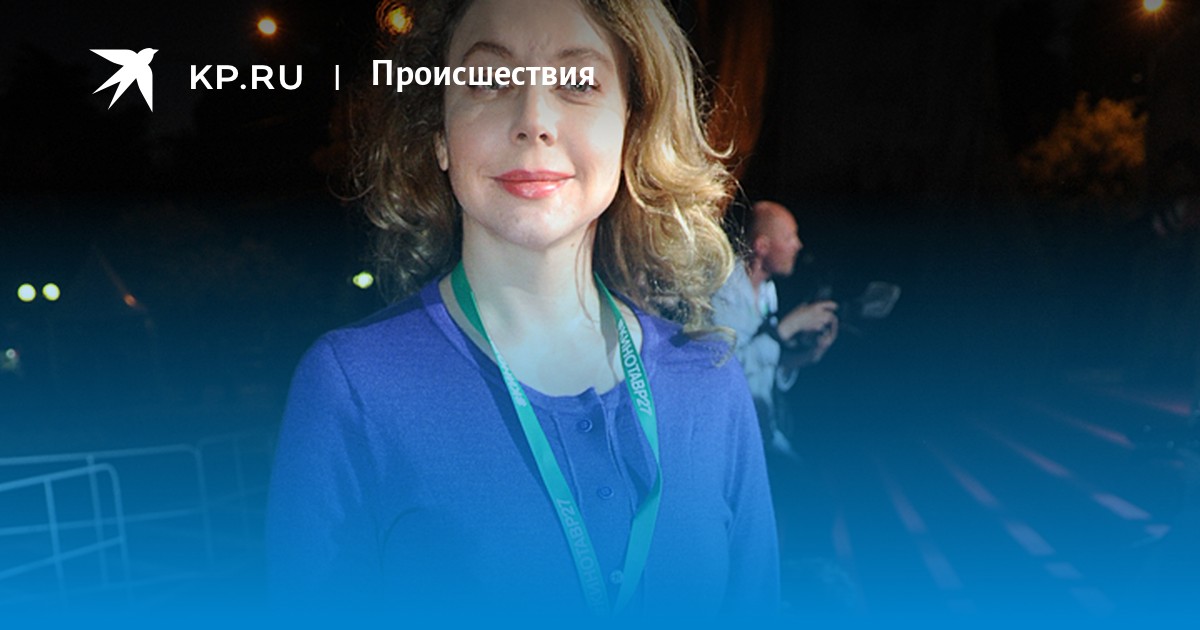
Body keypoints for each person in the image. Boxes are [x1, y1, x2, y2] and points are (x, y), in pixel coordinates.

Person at [265, 0, 778, 621]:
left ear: (631, 127)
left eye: (578, 81)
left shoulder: (710, 381)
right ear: (440, 133)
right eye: (489, 79)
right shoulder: (353, 386)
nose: (533, 120)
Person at [712, 200, 838, 457]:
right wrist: (788, 327)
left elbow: (765, 368)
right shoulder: (725, 292)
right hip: (732, 435)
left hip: (765, 428)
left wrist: (809, 354)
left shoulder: (768, 291)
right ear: (762, 246)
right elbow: (726, 369)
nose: (798, 245)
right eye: (789, 237)